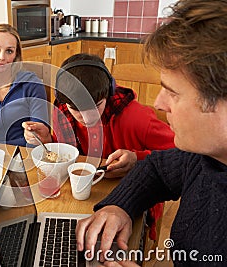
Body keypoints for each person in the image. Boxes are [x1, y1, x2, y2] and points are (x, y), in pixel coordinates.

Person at [75, 0, 227, 266]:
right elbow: (157, 168)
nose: (158, 103)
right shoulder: (205, 157)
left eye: (173, 92)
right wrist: (118, 206)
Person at [23, 53, 175, 179]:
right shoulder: (62, 112)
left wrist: (138, 160)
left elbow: (182, 154)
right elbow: (70, 150)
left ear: (109, 92)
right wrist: (49, 141)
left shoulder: (137, 118)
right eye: (75, 109)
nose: (87, 118)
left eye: (96, 106)